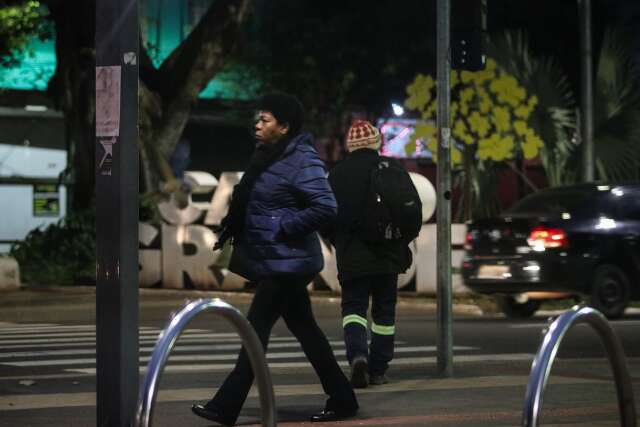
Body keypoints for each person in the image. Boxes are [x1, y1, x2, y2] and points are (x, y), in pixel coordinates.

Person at [191, 93, 359, 426]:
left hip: (288, 263)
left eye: (265, 120)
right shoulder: (268, 157)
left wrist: (284, 227)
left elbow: (326, 206)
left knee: (254, 332)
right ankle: (342, 398)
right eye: (258, 118)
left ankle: (226, 406)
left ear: (284, 127)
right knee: (306, 331)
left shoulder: (301, 159)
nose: (257, 124)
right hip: (279, 261)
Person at [326, 120, 413, 388]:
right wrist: (400, 242)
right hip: (387, 256)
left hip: (352, 255)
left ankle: (357, 356)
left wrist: (338, 241)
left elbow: (325, 215)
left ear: (350, 146)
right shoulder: (393, 169)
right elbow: (411, 212)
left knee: (354, 309)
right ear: (377, 142)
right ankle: (378, 369)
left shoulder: (338, 174)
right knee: (384, 314)